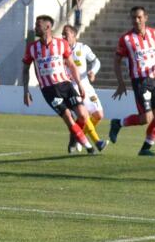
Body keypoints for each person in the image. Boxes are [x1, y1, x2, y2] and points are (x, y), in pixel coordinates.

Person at [22, 14, 104, 154]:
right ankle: (89, 147)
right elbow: (25, 70)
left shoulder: (61, 44)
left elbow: (72, 66)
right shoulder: (32, 48)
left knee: (83, 115)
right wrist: (25, 91)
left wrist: (79, 84)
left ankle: (75, 140)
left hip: (66, 85)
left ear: (47, 27)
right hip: (49, 89)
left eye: (38, 25)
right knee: (68, 117)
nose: (35, 27)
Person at [110, 6, 155, 157]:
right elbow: (116, 61)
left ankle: (146, 147)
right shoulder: (126, 39)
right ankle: (118, 123)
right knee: (145, 119)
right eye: (133, 17)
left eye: (139, 17)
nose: (136, 20)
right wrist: (121, 82)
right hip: (140, 82)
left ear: (146, 17)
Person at [61, 25, 102, 152]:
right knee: (84, 115)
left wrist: (93, 72)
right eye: (62, 34)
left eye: (66, 33)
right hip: (72, 86)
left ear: (74, 35)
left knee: (99, 115)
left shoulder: (83, 48)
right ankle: (96, 142)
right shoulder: (60, 50)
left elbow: (97, 62)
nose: (63, 36)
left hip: (86, 85)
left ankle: (78, 137)